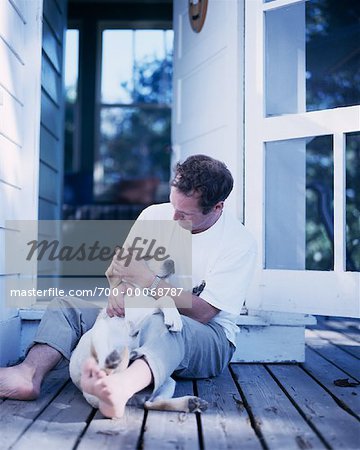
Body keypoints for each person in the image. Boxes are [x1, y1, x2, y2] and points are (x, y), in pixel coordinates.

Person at [0, 154, 256, 418]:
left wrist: (148, 280)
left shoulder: (238, 242)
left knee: (164, 324)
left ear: (217, 207)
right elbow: (121, 269)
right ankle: (27, 374)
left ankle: (120, 388)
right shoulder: (154, 215)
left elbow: (204, 312)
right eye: (173, 205)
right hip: (139, 317)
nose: (174, 216)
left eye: (186, 213)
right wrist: (118, 291)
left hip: (206, 336)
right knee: (67, 306)